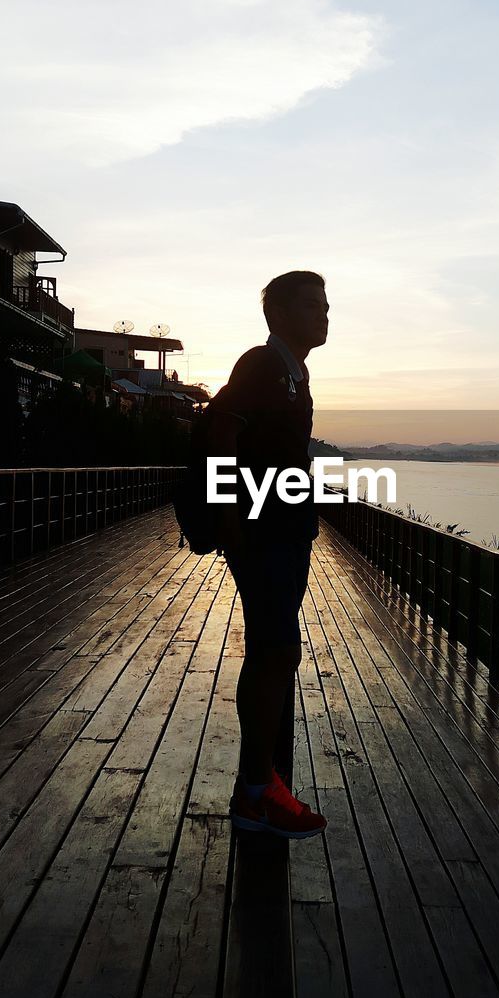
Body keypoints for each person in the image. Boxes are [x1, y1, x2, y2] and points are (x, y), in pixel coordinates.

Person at [207, 271, 330, 839]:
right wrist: (230, 520)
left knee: (273, 652)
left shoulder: (293, 374)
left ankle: (256, 788)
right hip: (262, 532)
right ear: (277, 313)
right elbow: (220, 431)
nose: (324, 314)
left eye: (326, 305)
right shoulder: (263, 365)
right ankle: (257, 794)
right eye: (311, 305)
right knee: (275, 650)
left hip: (279, 527)